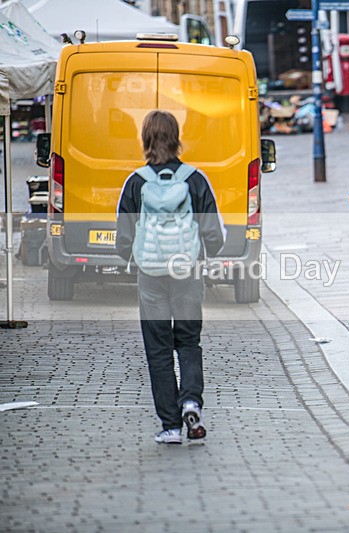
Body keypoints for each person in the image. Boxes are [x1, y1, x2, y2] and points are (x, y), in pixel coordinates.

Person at [116, 110, 225, 444]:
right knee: (189, 342)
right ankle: (191, 400)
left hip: (150, 277)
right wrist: (204, 255)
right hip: (186, 274)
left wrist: (135, 258)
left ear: (146, 139)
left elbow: (122, 240)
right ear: (176, 137)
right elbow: (214, 235)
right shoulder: (195, 180)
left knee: (159, 351)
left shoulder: (135, 183)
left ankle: (171, 427)